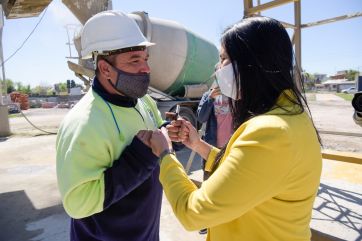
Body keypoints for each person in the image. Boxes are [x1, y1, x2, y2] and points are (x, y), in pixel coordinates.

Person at [137, 16, 322, 241]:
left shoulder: (271, 133)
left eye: (223, 58)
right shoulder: (290, 119)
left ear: (251, 63)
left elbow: (193, 214)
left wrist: (166, 154)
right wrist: (198, 145)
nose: (217, 68)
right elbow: (245, 173)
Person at [56, 10, 165, 241]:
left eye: (145, 59)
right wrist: (139, 158)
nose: (146, 69)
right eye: (135, 60)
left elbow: (158, 129)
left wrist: (167, 132)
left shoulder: (144, 101)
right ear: (105, 68)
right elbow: (77, 204)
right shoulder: (84, 123)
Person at [196, 80, 233, 235]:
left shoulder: (235, 94)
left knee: (229, 185)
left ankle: (226, 219)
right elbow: (201, 118)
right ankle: (206, 221)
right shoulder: (207, 95)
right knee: (208, 185)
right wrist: (210, 98)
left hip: (231, 148)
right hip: (211, 148)